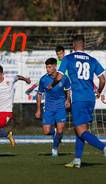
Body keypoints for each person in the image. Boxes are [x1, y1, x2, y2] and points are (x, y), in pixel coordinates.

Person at [48, 35, 106, 168]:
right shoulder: (92, 60)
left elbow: (59, 76)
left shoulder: (68, 58)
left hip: (78, 99)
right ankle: (77, 160)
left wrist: (52, 84)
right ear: (84, 45)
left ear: (73, 45)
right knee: (80, 129)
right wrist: (99, 91)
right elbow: (102, 79)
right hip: (90, 98)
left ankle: (103, 147)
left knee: (80, 130)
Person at [35, 58, 71, 156]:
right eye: (46, 67)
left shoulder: (64, 78)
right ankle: (55, 133)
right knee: (46, 131)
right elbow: (39, 94)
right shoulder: (43, 79)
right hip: (48, 108)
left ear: (55, 66)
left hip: (60, 107)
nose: (48, 69)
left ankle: (55, 148)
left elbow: (68, 89)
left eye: (49, 67)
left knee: (60, 130)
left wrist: (68, 100)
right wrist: (38, 109)